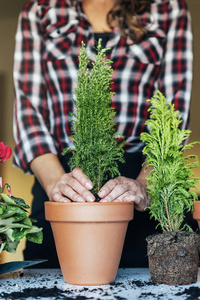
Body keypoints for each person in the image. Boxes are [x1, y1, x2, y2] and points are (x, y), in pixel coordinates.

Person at [13, 0, 196, 268]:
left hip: (140, 182)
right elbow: (28, 112)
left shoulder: (167, 8)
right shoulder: (40, 10)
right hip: (60, 181)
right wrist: (55, 184)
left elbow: (173, 111)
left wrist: (146, 185)